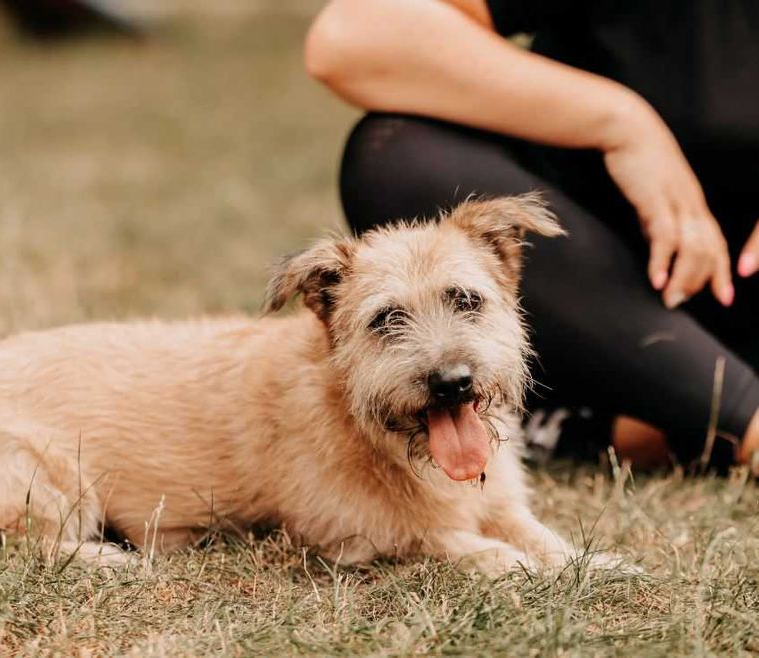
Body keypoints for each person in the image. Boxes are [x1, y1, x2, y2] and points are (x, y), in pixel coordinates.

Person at [304, 0, 759, 471]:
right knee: (396, 155)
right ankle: (700, 422)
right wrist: (625, 123)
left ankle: (651, 426)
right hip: (594, 299)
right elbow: (349, 39)